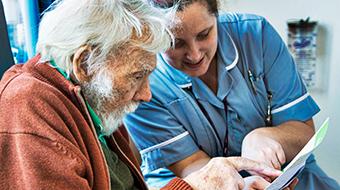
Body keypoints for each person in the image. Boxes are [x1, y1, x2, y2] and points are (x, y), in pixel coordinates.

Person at [0, 0, 283, 189]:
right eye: (137, 76)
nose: (147, 94)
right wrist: (194, 185)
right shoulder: (30, 107)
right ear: (84, 64)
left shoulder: (92, 104)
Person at [124, 0, 340, 189]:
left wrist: (267, 137)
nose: (194, 54)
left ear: (216, 16)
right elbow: (190, 164)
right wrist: (240, 184)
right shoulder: (142, 82)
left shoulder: (256, 35)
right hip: (200, 180)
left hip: (286, 176)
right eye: (176, 43)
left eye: (204, 34)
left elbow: (304, 132)